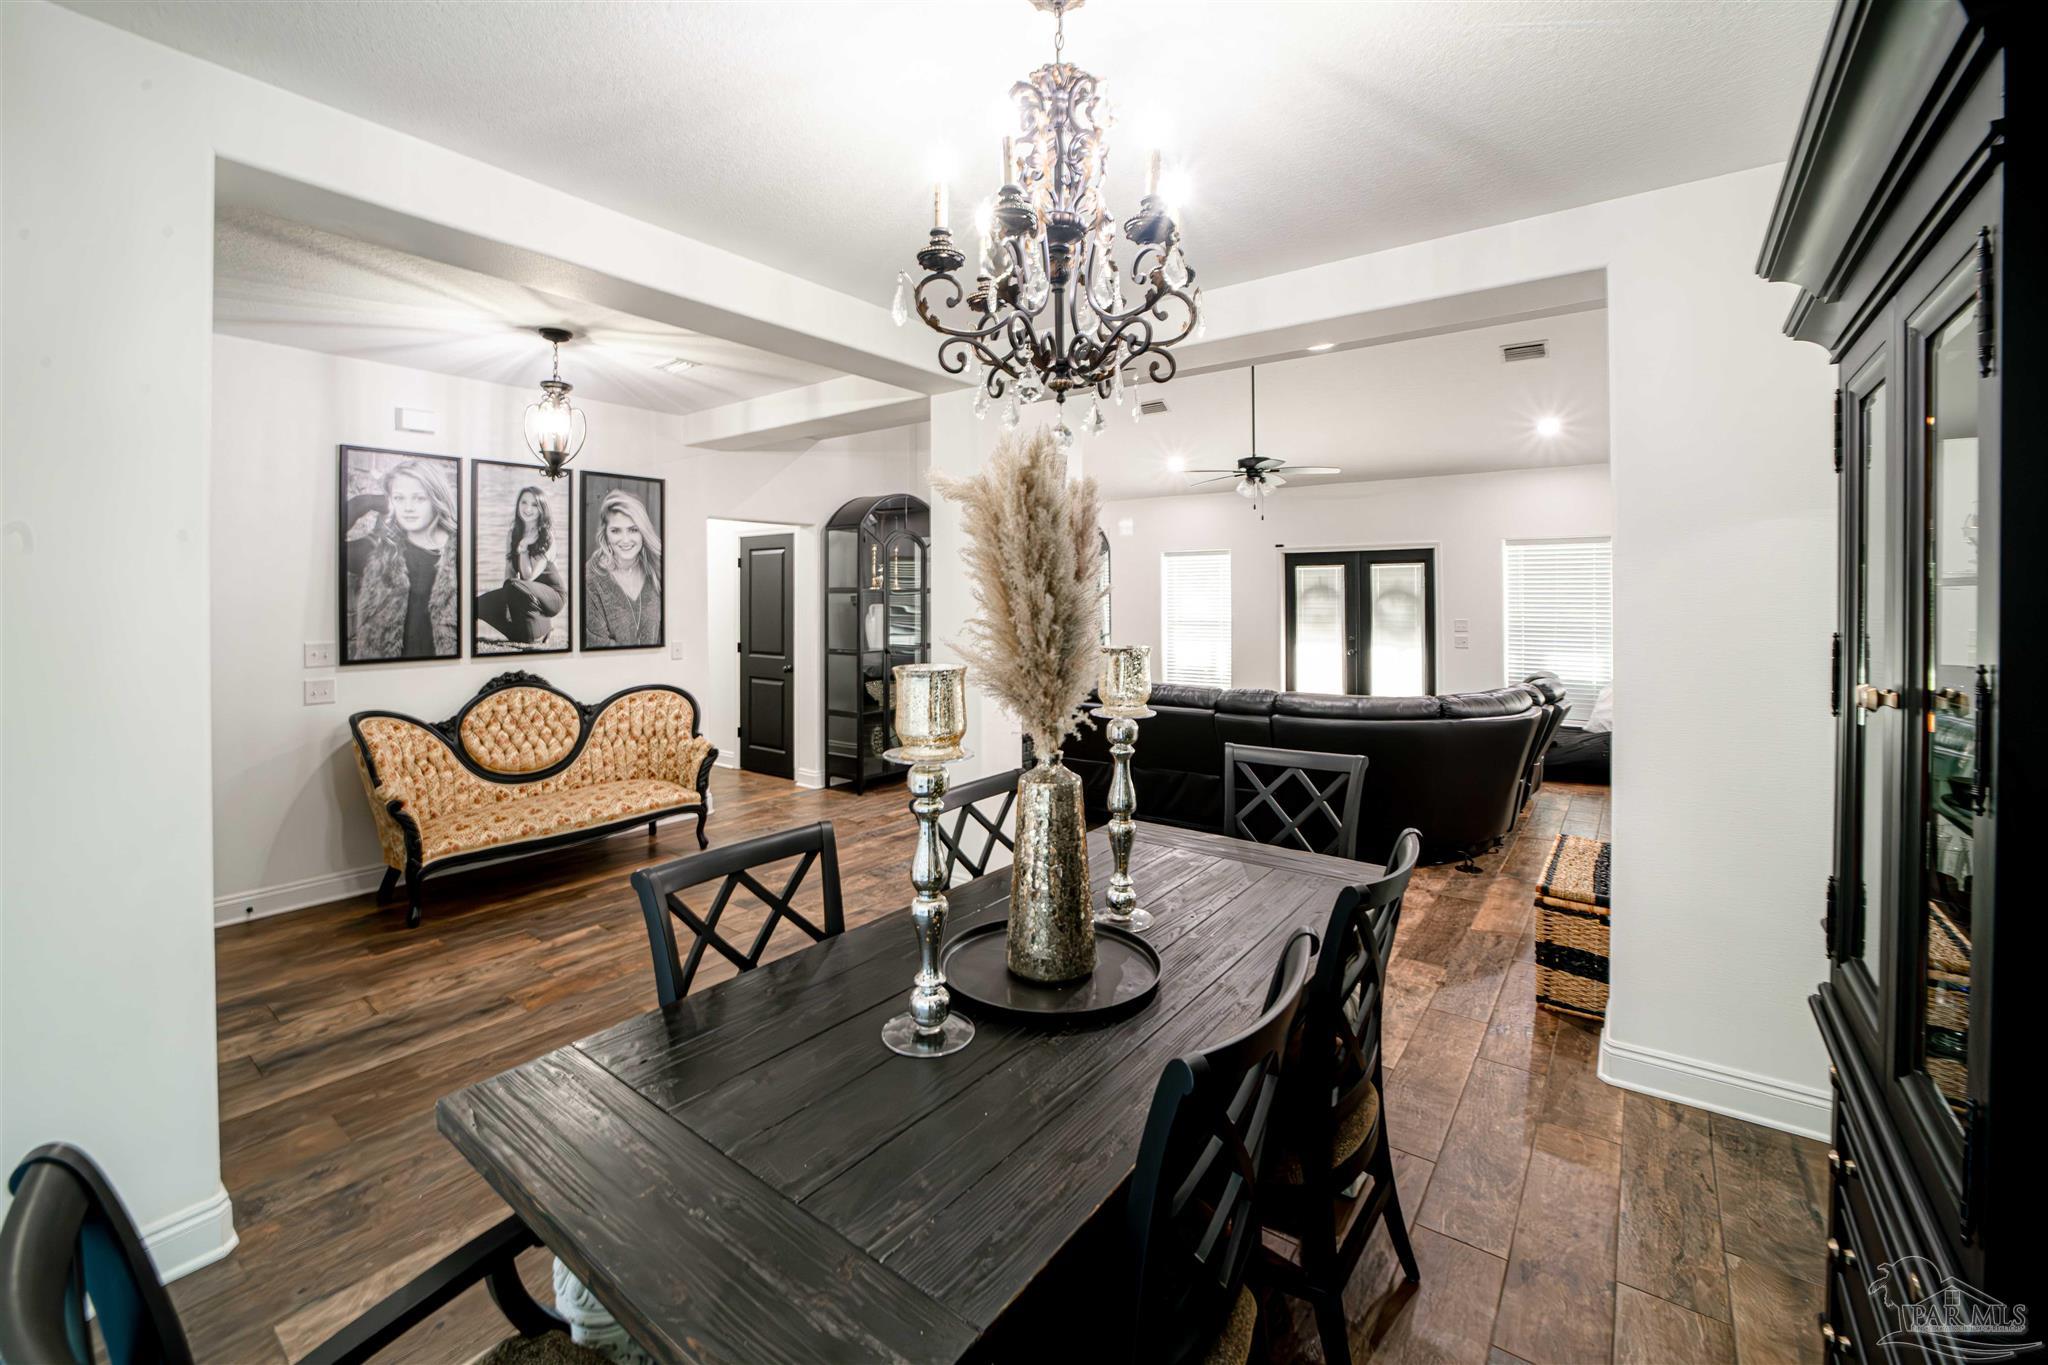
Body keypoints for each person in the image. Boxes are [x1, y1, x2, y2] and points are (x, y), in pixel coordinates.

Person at [345, 460, 457, 660]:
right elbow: (327, 543)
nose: (408, 508)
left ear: (436, 499)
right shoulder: (380, 552)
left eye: (419, 498)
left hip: (448, 670)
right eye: (399, 498)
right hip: (390, 675)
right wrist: (369, 501)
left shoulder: (459, 550)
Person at [474, 485, 566, 647]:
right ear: (518, 505)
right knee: (477, 605)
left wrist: (523, 547)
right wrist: (506, 603)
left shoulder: (547, 535)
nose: (528, 508)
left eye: (534, 504)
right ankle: (541, 629)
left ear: (541, 509)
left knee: (513, 585)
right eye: (524, 502)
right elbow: (509, 570)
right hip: (523, 594)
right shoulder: (513, 533)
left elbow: (528, 577)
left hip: (552, 596)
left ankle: (538, 627)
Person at [584, 488, 663, 647]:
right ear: (605, 534)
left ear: (643, 532)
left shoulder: (657, 567)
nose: (625, 540)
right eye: (616, 531)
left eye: (633, 530)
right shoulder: (591, 577)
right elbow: (598, 645)